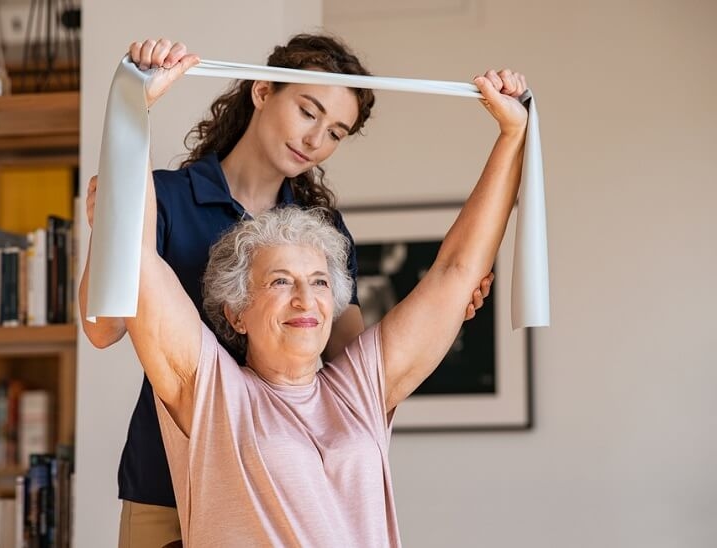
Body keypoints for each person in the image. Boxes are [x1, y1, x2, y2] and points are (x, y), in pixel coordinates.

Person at [79, 35, 493, 547]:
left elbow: (349, 362)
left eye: (336, 131)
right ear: (262, 91)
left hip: (285, 474)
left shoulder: (324, 232)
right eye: (308, 111)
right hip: (165, 477)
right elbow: (102, 329)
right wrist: (112, 230)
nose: (316, 138)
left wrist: (443, 314)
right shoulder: (163, 197)